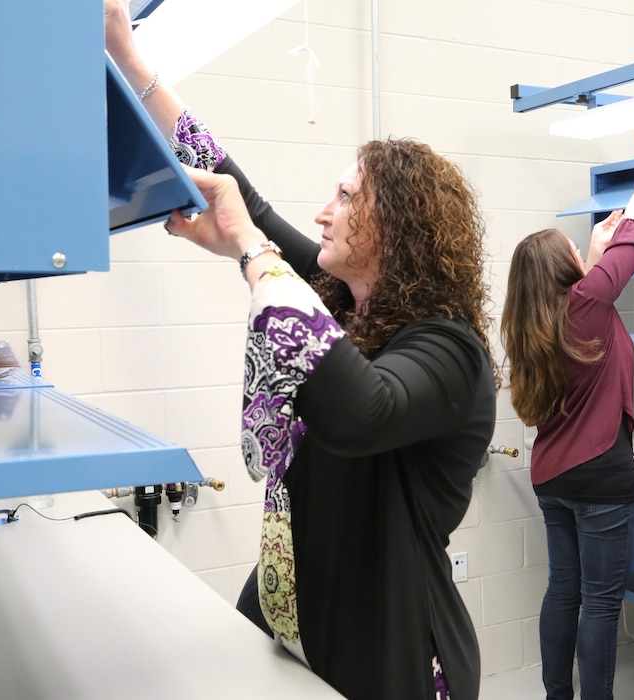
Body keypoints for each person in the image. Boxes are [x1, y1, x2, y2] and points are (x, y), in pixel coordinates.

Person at [104, 3, 498, 699]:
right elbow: (243, 200)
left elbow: (363, 412)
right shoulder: (338, 308)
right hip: (299, 619)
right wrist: (127, 58)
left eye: (344, 197)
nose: (323, 212)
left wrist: (253, 254)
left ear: (395, 227)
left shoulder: (450, 348)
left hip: (394, 656)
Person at [500, 142, 634, 700]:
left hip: (552, 476)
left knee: (564, 592)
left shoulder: (532, 324)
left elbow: (601, 264)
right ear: (567, 270)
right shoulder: (587, 303)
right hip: (600, 473)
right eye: (575, 249)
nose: (588, 251)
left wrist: (594, 249)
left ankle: (558, 695)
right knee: (600, 603)